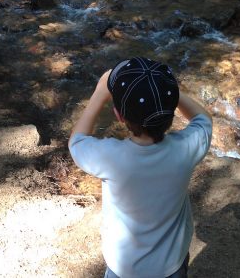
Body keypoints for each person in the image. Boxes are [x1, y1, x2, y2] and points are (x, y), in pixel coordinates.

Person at [69, 57, 212, 278]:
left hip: (123, 267)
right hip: (171, 264)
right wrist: (169, 92)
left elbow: (76, 142)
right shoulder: (186, 148)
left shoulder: (110, 157)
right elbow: (203, 119)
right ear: (172, 109)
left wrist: (100, 93)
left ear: (118, 115)